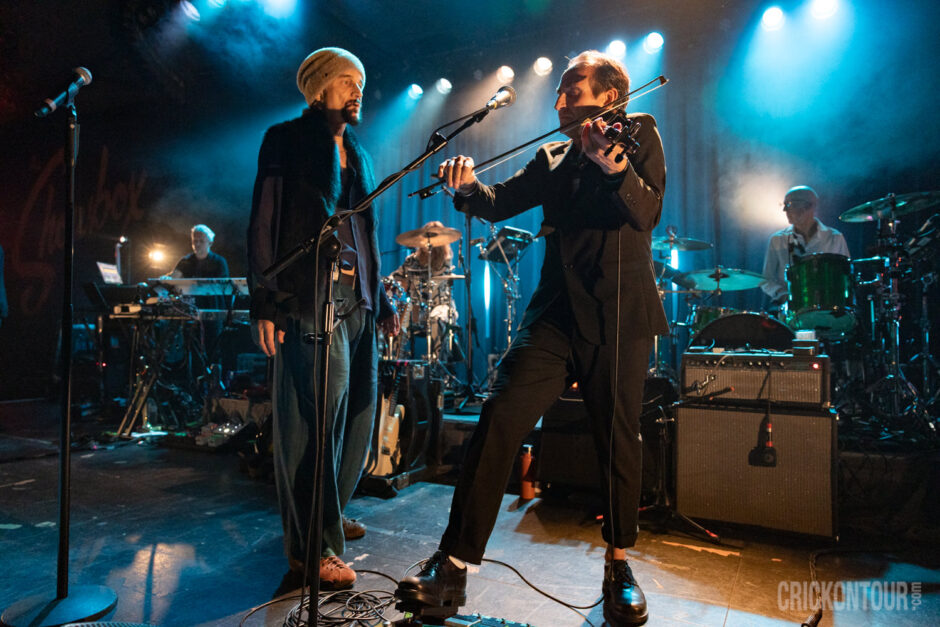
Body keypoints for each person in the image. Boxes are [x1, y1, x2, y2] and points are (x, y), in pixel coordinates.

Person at [395, 50, 667, 626]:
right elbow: (500, 203)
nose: (560, 99)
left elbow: (647, 211)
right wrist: (467, 189)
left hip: (619, 311)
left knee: (616, 437)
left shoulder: (638, 133)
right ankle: (453, 567)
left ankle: (619, 565)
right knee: (498, 417)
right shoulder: (552, 154)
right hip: (554, 314)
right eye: (561, 91)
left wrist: (613, 166)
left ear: (610, 96)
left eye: (573, 89)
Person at [247, 47, 399, 591]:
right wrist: (266, 298)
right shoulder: (286, 138)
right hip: (310, 297)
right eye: (345, 79)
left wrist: (380, 298)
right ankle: (313, 546)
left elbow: (366, 232)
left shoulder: (357, 149)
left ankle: (330, 512)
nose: (358, 88)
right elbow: (264, 219)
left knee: (357, 416)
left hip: (357, 298)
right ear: (317, 89)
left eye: (361, 80)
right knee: (311, 424)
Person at [760, 185, 850, 308]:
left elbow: (847, 275)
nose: (785, 210)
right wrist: (783, 294)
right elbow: (766, 279)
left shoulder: (834, 237)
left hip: (827, 307)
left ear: (810, 206)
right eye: (784, 205)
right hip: (790, 309)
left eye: (790, 204)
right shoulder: (777, 239)